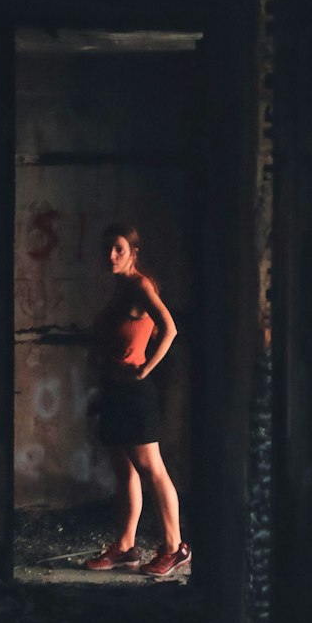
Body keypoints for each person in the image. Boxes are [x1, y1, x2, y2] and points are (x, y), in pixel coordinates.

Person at [86, 224, 191, 579]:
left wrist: (146, 368)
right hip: (115, 390)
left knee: (151, 469)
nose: (110, 256)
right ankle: (127, 547)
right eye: (107, 249)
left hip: (134, 393)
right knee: (124, 469)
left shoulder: (140, 286)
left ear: (133, 252)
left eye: (118, 249)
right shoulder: (120, 288)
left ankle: (175, 547)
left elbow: (170, 328)